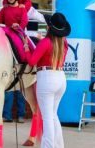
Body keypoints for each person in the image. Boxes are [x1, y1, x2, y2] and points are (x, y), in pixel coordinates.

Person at [24, 13, 71, 148]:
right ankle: (58, 145)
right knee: (53, 115)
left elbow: (32, 61)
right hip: (60, 77)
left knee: (47, 118)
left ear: (49, 27)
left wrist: (27, 48)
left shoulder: (45, 42)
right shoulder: (64, 43)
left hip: (47, 78)